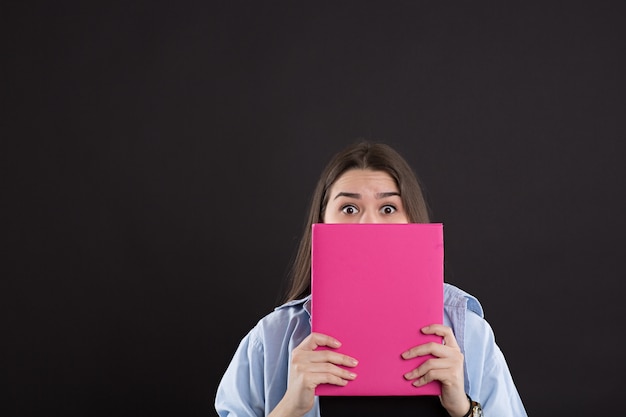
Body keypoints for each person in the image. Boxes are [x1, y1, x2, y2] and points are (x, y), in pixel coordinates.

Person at [215, 141, 528, 417]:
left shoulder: (469, 334)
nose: (368, 223)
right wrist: (289, 409)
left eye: (388, 207)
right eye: (349, 208)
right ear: (322, 222)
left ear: (412, 221)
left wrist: (464, 409)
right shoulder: (271, 339)